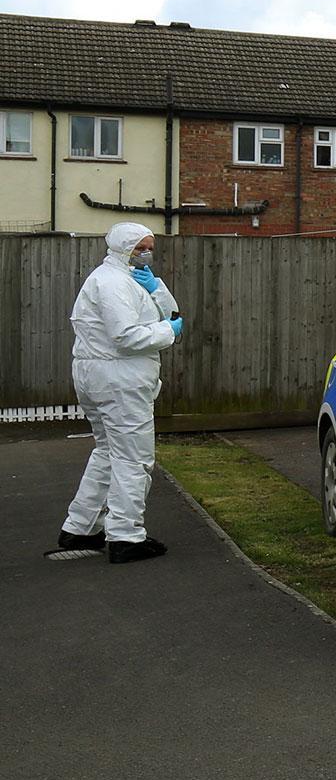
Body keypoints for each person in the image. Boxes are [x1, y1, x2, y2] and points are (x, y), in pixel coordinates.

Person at [57, 222, 183, 564]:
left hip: (101, 375)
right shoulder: (112, 282)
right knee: (133, 458)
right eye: (141, 246)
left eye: (150, 246)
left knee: (108, 452)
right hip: (119, 378)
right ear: (123, 247)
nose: (147, 252)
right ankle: (126, 536)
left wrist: (157, 289)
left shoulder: (126, 277)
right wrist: (167, 332)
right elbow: (127, 336)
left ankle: (80, 527)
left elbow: (167, 310)